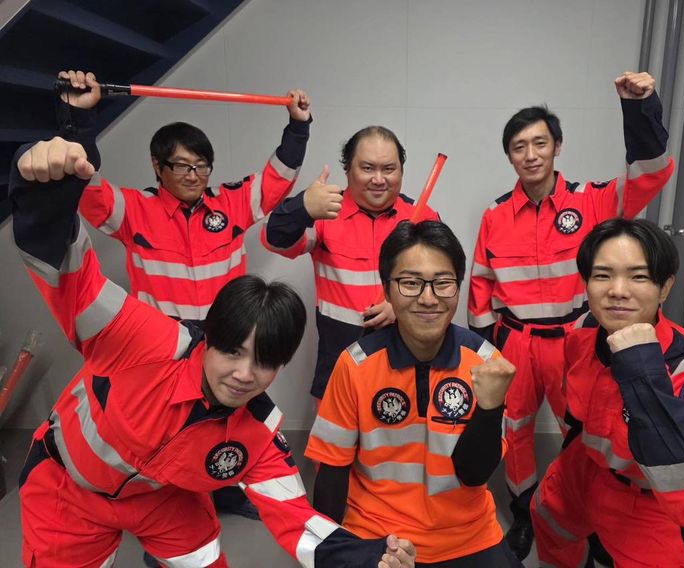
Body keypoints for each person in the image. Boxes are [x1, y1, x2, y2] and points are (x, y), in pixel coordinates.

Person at [10, 136, 416, 568]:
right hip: (71, 485)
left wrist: (371, 556)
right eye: (232, 352)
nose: (244, 374)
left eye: (265, 361)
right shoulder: (140, 338)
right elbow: (69, 273)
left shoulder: (258, 430)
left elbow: (297, 519)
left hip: (165, 499)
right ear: (207, 338)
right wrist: (41, 191)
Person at [57, 69, 330, 522]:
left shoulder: (230, 203)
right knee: (169, 433)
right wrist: (79, 122)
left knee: (226, 425)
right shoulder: (134, 210)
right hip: (164, 352)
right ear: (157, 166)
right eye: (182, 166)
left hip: (225, 343)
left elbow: (276, 179)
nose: (194, 175)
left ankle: (224, 491)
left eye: (202, 166)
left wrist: (298, 126)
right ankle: (168, 508)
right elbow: (85, 186)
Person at [467, 71, 675, 559]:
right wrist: (487, 349)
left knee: (583, 430)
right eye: (519, 147)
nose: (530, 154)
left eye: (540, 143)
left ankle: (585, 514)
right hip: (516, 343)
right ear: (509, 156)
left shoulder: (594, 200)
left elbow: (650, 173)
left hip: (576, 340)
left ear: (557, 146)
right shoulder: (495, 215)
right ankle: (524, 511)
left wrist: (639, 108)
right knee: (515, 431)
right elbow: (481, 284)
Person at [306, 220, 522, 567]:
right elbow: (332, 470)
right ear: (387, 290)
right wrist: (327, 551)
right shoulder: (355, 364)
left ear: (458, 287)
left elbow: (474, 473)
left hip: (468, 535)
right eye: (410, 283)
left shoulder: (486, 363)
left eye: (443, 283)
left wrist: (489, 408)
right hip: (376, 533)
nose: (428, 298)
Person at [531, 218, 684, 567]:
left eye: (638, 277)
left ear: (665, 287)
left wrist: (642, 368)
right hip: (582, 468)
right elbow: (575, 411)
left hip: (649, 501)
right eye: (602, 275)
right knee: (549, 521)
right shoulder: (584, 332)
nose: (618, 290)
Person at [263, 126, 438, 400]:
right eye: (367, 168)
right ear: (347, 169)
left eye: (389, 169)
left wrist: (403, 306)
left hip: (407, 363)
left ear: (401, 171)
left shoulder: (423, 216)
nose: (378, 179)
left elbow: (442, 284)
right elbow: (274, 239)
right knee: (332, 429)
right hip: (338, 365)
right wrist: (302, 207)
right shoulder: (324, 212)